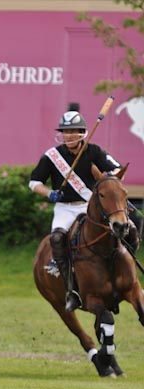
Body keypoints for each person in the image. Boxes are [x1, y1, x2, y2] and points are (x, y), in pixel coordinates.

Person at [29, 103, 139, 311]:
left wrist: (108, 181)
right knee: (57, 238)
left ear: (82, 133)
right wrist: (49, 193)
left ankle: (130, 274)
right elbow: (34, 182)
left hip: (92, 206)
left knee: (131, 230)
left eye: (73, 131)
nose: (69, 135)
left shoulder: (94, 151)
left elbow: (116, 169)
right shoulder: (52, 156)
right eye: (65, 132)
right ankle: (71, 289)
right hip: (65, 208)